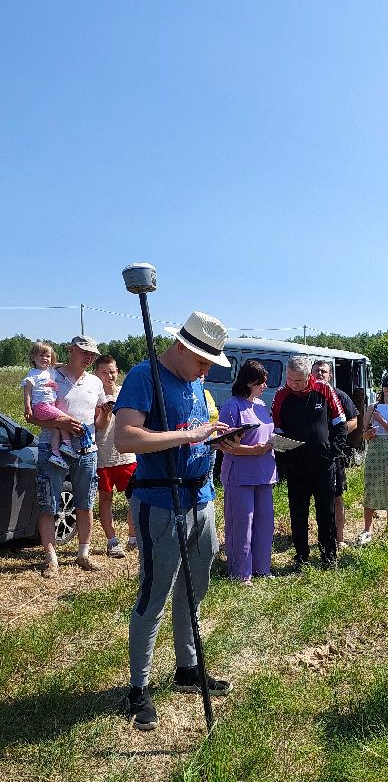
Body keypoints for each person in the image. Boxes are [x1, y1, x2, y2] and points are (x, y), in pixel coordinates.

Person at [114, 311, 235, 731]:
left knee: (195, 587)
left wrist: (215, 438)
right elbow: (125, 437)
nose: (205, 371)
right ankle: (139, 688)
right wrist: (189, 436)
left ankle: (187, 668)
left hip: (201, 497)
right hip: (161, 501)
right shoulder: (143, 377)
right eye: (202, 362)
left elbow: (193, 432)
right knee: (155, 594)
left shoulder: (194, 380)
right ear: (182, 347)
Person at [32, 335, 107, 578]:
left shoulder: (95, 382)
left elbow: (99, 423)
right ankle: (51, 558)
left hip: (86, 450)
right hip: (52, 449)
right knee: (48, 504)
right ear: (71, 350)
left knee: (85, 503)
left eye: (92, 355)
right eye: (85, 352)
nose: (89, 358)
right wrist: (61, 423)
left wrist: (106, 413)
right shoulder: (50, 376)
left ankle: (83, 554)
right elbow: (33, 416)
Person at [271, 354, 347, 570]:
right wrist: (284, 460)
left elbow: (340, 422)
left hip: (323, 465)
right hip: (296, 468)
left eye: (299, 380)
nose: (294, 384)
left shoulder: (323, 389)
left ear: (309, 377)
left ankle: (328, 556)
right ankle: (301, 556)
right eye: (290, 379)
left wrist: (333, 451)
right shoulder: (281, 394)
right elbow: (276, 429)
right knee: (298, 513)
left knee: (326, 513)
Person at [218, 359, 277, 584]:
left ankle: (262, 568)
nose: (265, 386)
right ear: (250, 382)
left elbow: (266, 433)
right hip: (240, 475)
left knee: (264, 522)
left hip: (265, 472)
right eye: (262, 382)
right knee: (242, 524)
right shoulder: (232, 406)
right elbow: (224, 444)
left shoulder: (261, 405)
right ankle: (240, 573)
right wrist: (253, 450)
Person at [22, 341, 95, 469]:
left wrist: (66, 364)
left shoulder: (50, 371)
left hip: (49, 405)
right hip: (42, 406)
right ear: (33, 357)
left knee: (56, 430)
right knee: (66, 420)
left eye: (48, 356)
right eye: (41, 355)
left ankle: (56, 454)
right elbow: (27, 392)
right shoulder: (32, 375)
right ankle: (67, 445)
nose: (44, 359)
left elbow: (57, 365)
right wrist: (28, 408)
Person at [93, 355, 138, 557]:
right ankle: (112, 541)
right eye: (104, 372)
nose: (109, 376)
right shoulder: (94, 395)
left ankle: (133, 537)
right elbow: (98, 426)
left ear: (118, 372)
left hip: (127, 455)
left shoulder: (125, 393)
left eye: (112, 372)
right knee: (105, 498)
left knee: (135, 497)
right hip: (103, 454)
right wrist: (105, 412)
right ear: (96, 373)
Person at [311, 359, 359, 547]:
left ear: (330, 375)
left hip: (333, 456)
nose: (320, 374)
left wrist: (334, 436)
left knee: (336, 497)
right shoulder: (306, 395)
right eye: (316, 370)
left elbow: (354, 421)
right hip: (310, 457)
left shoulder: (339, 395)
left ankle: (339, 538)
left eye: (323, 371)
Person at [358, 373, 388, 544]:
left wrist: (382, 421)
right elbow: (363, 435)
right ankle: (367, 529)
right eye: (386, 384)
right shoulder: (373, 406)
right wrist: (368, 434)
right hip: (374, 452)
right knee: (370, 488)